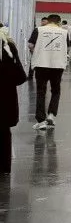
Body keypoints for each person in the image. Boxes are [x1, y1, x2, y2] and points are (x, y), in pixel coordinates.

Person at [27, 14, 68, 131]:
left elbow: (30, 45)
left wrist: (37, 51)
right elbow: (67, 47)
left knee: (41, 91)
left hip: (41, 64)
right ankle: (51, 115)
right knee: (56, 90)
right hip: (58, 65)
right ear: (59, 22)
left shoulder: (38, 30)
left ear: (48, 21)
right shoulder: (64, 32)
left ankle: (41, 121)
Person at [0, 25, 27, 174]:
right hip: (5, 98)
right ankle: (4, 167)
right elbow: (21, 77)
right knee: (4, 132)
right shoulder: (9, 47)